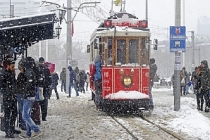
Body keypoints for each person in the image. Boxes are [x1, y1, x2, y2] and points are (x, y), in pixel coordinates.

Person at [18, 57, 41, 138]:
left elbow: (29, 84)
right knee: (27, 115)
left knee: (25, 115)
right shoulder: (31, 71)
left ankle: (36, 129)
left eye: (20, 68)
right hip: (31, 96)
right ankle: (28, 133)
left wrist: (25, 91)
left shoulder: (28, 72)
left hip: (28, 96)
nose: (20, 70)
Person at [0, 58, 21, 138]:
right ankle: (7, 131)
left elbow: (14, 83)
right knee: (7, 115)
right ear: (7, 65)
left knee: (15, 113)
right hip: (7, 97)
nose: (13, 68)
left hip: (13, 96)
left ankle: (12, 128)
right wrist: (7, 93)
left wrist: (15, 91)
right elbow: (1, 87)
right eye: (12, 66)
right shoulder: (2, 74)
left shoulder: (12, 73)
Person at [37, 57, 52, 121]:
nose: (41, 63)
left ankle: (43, 116)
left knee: (43, 104)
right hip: (41, 88)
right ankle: (42, 116)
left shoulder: (46, 70)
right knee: (41, 104)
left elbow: (49, 80)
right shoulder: (38, 69)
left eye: (42, 62)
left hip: (43, 88)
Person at [17, 65, 26, 130]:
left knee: (21, 109)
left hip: (21, 93)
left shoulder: (21, 75)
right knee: (22, 109)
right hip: (22, 93)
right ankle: (22, 123)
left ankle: (21, 123)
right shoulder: (22, 75)